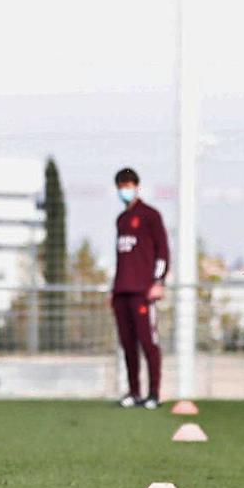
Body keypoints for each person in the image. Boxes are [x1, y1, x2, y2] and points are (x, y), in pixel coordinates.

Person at [110, 167, 169, 410]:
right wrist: (112, 290)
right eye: (121, 186)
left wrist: (158, 282)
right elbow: (121, 258)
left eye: (129, 185)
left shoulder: (150, 215)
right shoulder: (121, 219)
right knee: (128, 345)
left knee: (148, 342)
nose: (125, 189)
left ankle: (154, 393)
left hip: (143, 291)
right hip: (121, 292)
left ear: (136, 186)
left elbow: (163, 252)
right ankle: (134, 392)